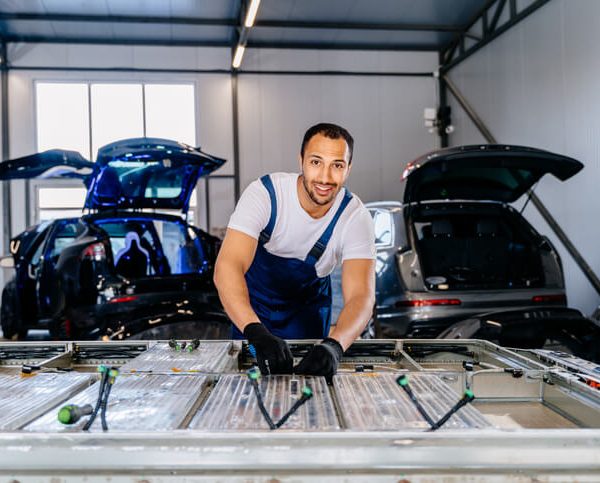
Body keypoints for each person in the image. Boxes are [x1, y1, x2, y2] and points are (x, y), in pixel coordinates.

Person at [214, 122, 375, 381]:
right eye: (316, 162)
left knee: (307, 396)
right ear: (300, 160)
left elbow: (361, 297)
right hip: (253, 312)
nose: (325, 177)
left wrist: (335, 345)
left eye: (337, 165)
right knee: (247, 394)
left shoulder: (354, 217)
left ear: (348, 169)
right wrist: (254, 330)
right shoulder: (265, 194)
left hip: (307, 313)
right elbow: (228, 267)